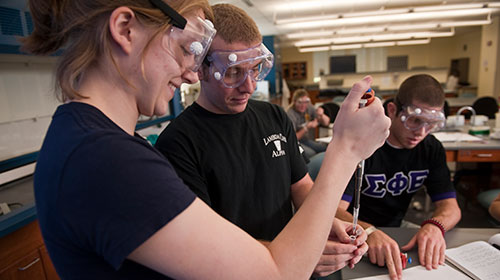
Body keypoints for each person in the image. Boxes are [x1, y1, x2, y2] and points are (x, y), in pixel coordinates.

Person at [25, 0, 390, 279]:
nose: (189, 72)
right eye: (186, 48)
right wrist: (346, 150)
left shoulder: (98, 144)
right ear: (125, 29)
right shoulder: (105, 161)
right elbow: (275, 274)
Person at [155, 4, 386, 278]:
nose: (249, 86)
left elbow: (303, 191)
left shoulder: (273, 116)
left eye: (255, 69)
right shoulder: (178, 143)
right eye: (233, 72)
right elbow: (204, 245)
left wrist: (336, 224)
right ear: (201, 68)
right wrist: (299, 254)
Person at [336, 74, 462, 280]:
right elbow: (333, 208)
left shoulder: (431, 148)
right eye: (414, 121)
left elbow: (451, 207)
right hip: (352, 231)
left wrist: (434, 225)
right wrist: (367, 231)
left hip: (398, 228)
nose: (421, 132)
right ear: (393, 110)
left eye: (430, 124)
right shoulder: (365, 146)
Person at [287, 89, 330, 158]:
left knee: (325, 149)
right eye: (300, 102)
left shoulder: (308, 107)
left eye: (306, 102)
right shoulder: (290, 114)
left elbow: (326, 123)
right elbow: (293, 138)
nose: (303, 105)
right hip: (295, 142)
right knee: (311, 154)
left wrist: (322, 115)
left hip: (306, 140)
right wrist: (307, 127)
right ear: (294, 102)